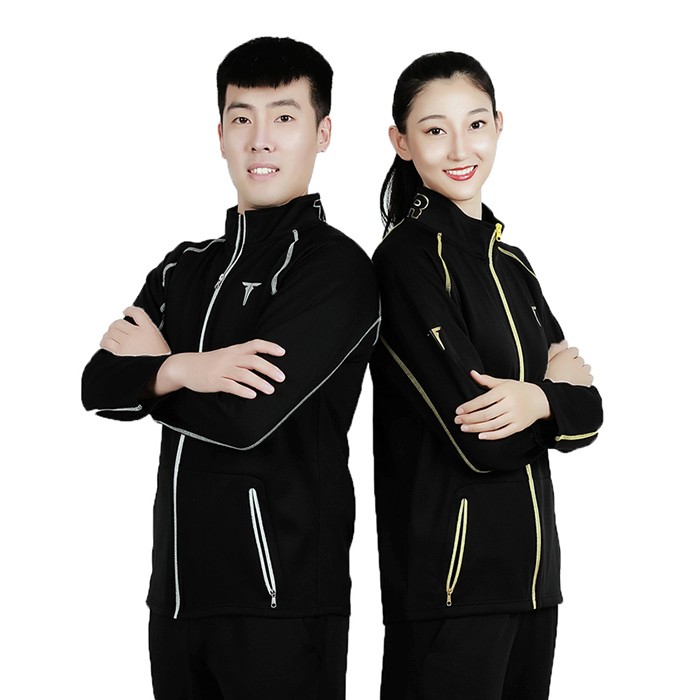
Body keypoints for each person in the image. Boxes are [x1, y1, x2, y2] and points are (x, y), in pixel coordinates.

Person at [81, 36, 379, 700]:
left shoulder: (335, 269)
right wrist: (187, 369)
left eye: (284, 117)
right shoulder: (185, 266)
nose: (260, 139)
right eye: (242, 117)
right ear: (219, 134)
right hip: (176, 601)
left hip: (282, 602)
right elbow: (97, 386)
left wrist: (153, 370)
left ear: (323, 133)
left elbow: (247, 419)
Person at [371, 51, 603, 699]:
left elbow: (590, 416)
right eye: (434, 130)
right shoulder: (407, 262)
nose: (459, 149)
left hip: (533, 584)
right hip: (449, 591)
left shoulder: (514, 264)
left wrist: (537, 401)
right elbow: (483, 439)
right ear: (401, 141)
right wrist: (555, 395)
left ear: (499, 125)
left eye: (475, 124)